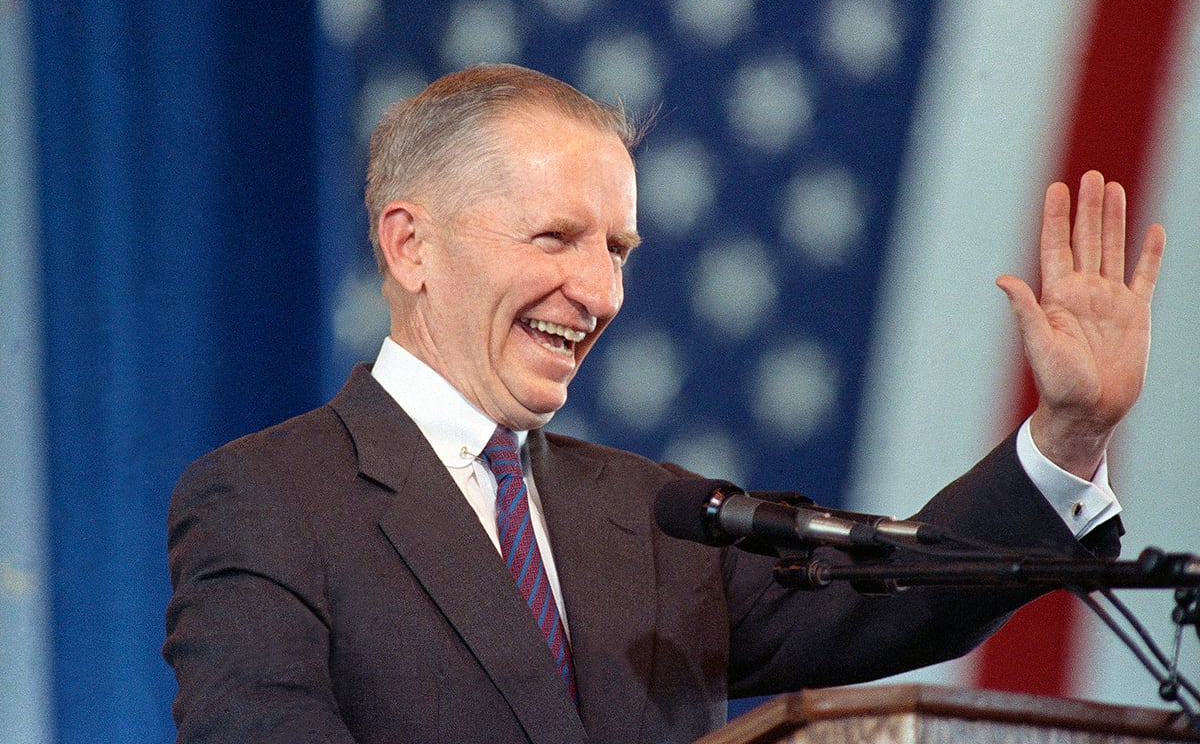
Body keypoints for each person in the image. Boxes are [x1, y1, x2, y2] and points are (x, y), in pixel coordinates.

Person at [163, 63, 1166, 744]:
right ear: (410, 244)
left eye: (619, 251)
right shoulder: (272, 497)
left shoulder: (660, 513)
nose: (602, 294)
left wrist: (1069, 430)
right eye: (555, 237)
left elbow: (896, 594)